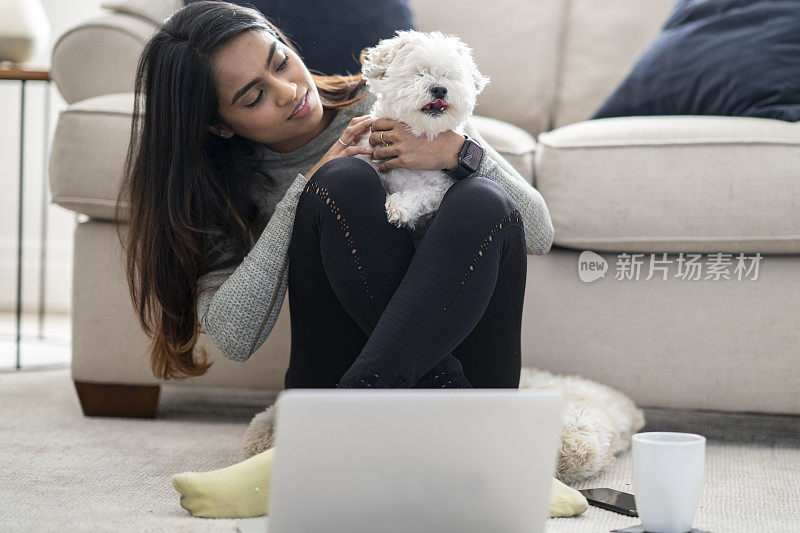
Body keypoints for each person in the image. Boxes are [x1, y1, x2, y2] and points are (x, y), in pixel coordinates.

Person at [117, 0, 585, 521]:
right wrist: (308, 186)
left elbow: (537, 231)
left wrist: (459, 153)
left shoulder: (395, 100)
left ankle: (329, 441)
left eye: (279, 62)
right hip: (414, 386)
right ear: (219, 126)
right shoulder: (224, 190)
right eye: (254, 97)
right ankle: (485, 457)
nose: (290, 91)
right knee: (342, 183)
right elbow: (232, 333)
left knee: (483, 200)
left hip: (429, 385)